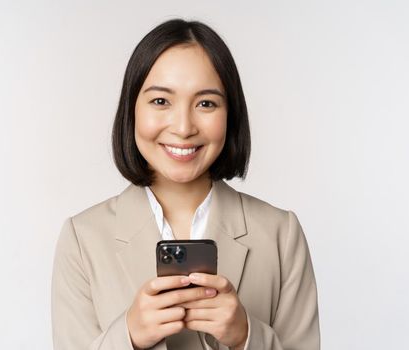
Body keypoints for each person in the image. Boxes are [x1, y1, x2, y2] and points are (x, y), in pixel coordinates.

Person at [52, 19, 320, 349]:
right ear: (132, 110)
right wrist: (128, 336)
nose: (183, 127)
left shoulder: (281, 234)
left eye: (206, 103)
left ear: (230, 114)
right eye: (161, 101)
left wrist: (246, 335)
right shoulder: (83, 239)